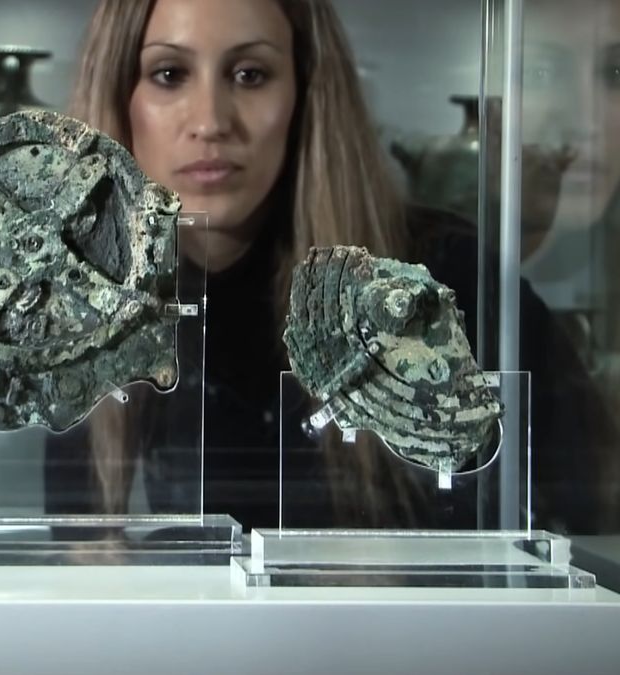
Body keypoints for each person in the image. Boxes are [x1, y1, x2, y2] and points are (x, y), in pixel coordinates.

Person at [44, 0, 619, 533]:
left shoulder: (444, 277)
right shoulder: (82, 309)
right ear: (120, 92)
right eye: (169, 74)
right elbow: (76, 557)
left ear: (307, 90)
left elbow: (585, 523)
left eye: (250, 75)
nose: (211, 121)